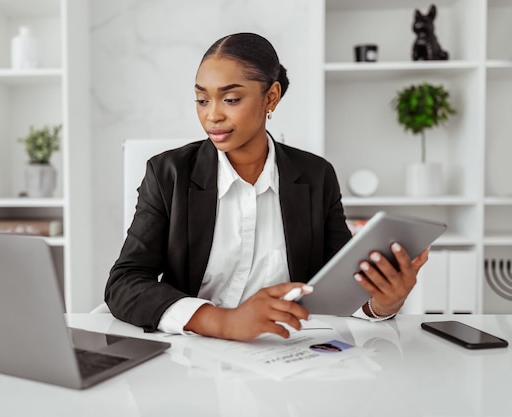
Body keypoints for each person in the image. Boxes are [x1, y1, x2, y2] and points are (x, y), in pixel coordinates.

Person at [105, 32, 429, 342]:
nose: (212, 115)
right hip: (193, 355)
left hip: (289, 353)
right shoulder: (168, 174)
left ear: (270, 97)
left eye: (230, 99)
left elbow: (336, 287)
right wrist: (224, 322)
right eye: (202, 99)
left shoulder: (317, 177)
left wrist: (383, 303)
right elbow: (124, 283)